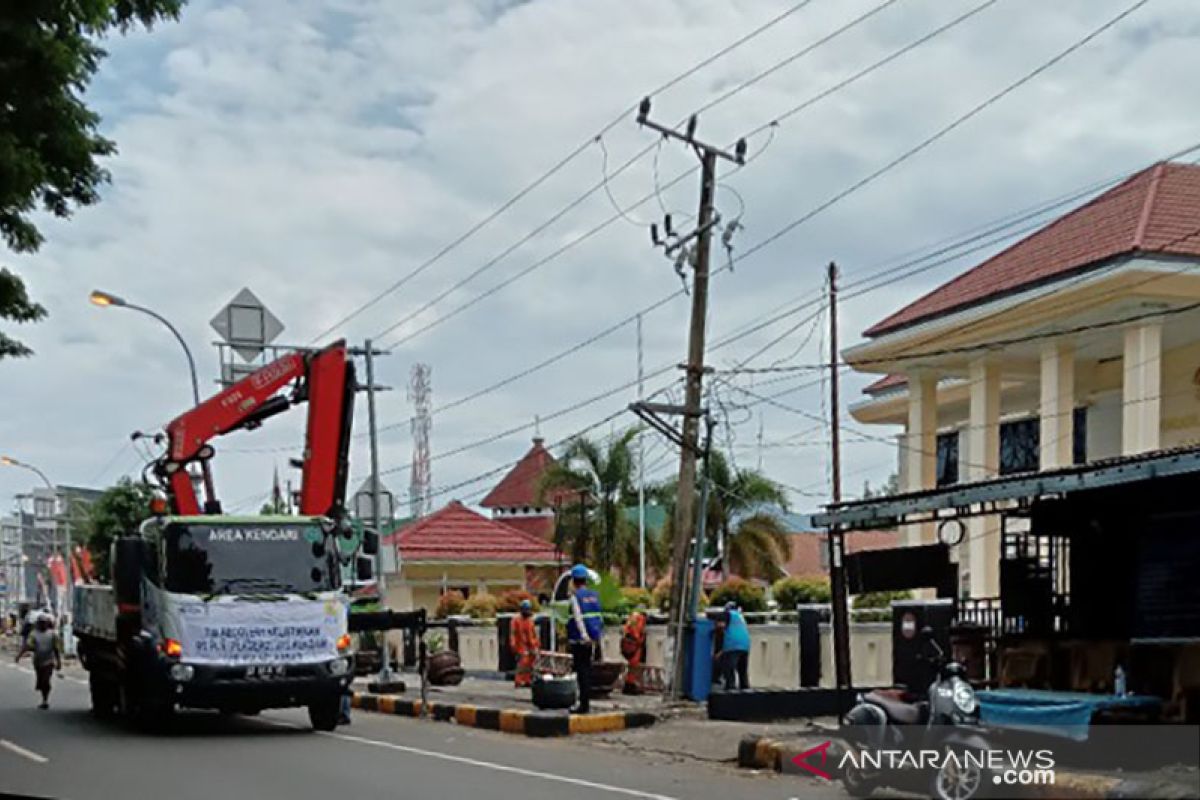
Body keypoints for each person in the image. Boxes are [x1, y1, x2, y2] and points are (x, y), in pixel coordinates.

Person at [567, 563, 603, 713]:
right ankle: (585, 703)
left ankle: (583, 705)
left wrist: (584, 636)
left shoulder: (575, 597)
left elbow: (578, 618)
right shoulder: (594, 596)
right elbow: (599, 618)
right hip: (592, 639)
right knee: (586, 670)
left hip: (580, 640)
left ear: (574, 581)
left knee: (581, 672)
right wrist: (596, 638)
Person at [16, 613, 62, 709]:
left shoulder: (53, 634)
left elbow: (56, 649)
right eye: (41, 623)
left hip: (49, 661)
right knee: (41, 681)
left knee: (46, 680)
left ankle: (45, 700)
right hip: (38, 661)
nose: (42, 625)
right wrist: (19, 655)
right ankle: (43, 693)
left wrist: (59, 662)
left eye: (44, 623)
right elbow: (27, 646)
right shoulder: (34, 634)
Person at [718, 601, 750, 691]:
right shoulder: (741, 616)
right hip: (745, 645)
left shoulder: (728, 614)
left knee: (729, 670)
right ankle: (745, 689)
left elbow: (721, 625)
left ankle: (730, 689)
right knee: (742, 671)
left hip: (732, 645)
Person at [509, 599, 540, 688]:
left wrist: (536, 644)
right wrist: (513, 644)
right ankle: (519, 680)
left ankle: (527, 680)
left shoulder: (530, 621)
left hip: (530, 645)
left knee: (530, 663)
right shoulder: (516, 620)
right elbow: (513, 633)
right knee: (522, 663)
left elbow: (533, 634)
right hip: (520, 645)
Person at [620, 606, 648, 695]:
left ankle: (629, 684)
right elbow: (637, 632)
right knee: (634, 666)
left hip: (628, 644)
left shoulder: (632, 617)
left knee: (632, 665)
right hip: (635, 645)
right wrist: (640, 640)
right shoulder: (640, 618)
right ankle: (630, 685)